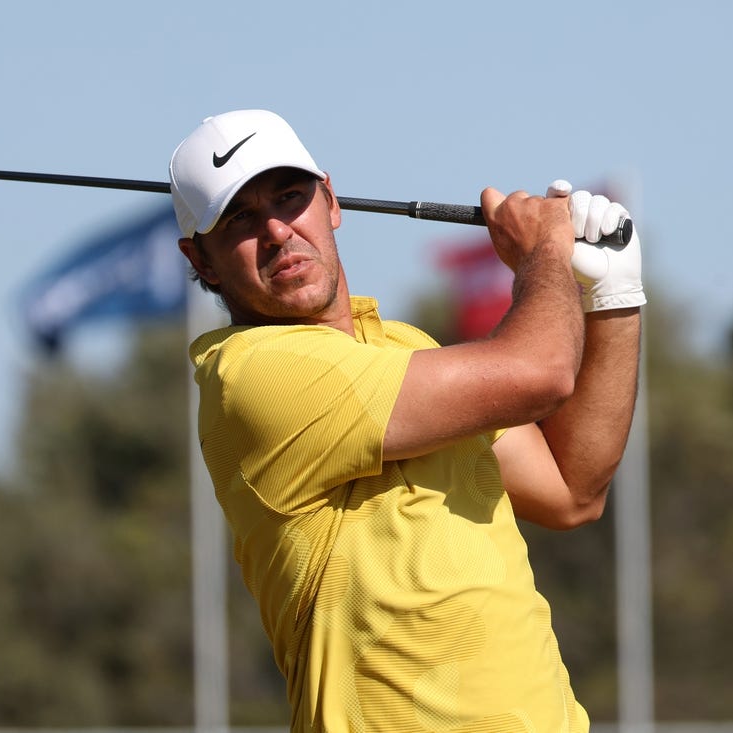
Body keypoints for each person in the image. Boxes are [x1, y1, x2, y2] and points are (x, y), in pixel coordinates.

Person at [169, 109, 644, 732]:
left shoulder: (405, 347)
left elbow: (572, 488)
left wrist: (615, 295)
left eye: (290, 198)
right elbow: (541, 374)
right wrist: (543, 254)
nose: (279, 232)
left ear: (331, 201)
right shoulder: (253, 376)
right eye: (240, 220)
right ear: (200, 261)